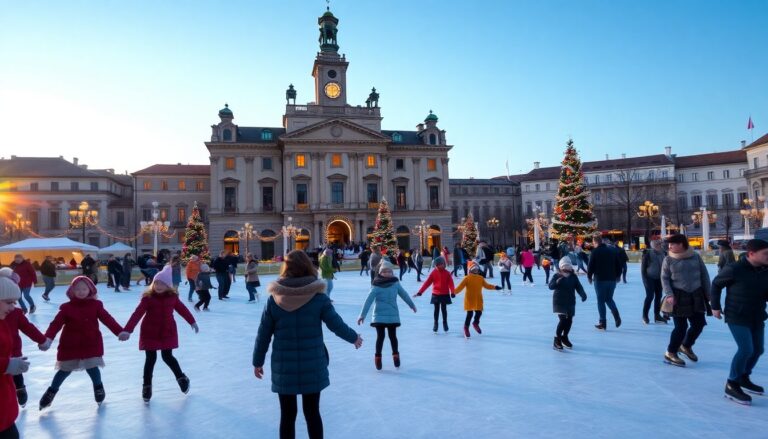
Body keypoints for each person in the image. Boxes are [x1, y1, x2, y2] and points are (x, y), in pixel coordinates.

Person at [253, 250, 362, 439]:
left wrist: (257, 361)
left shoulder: (274, 299)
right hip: (312, 363)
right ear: (308, 267)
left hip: (284, 365)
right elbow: (336, 324)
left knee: (287, 415)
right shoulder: (319, 298)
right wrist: (354, 337)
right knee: (312, 413)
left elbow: (263, 333)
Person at [39, 276, 124, 410]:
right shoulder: (67, 308)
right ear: (72, 291)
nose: (81, 291)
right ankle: (51, 391)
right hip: (70, 345)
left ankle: (98, 388)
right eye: (77, 289)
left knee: (92, 367)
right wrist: (47, 339)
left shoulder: (96, 305)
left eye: (84, 289)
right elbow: (55, 325)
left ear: (90, 290)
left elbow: (108, 319)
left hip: (91, 342)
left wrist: (119, 331)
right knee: (64, 370)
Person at [120, 265, 198, 403]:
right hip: (150, 332)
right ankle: (147, 387)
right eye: (156, 282)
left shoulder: (173, 297)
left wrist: (192, 321)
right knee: (150, 359)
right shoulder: (147, 298)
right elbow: (137, 314)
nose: (158, 285)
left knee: (168, 357)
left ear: (168, 285)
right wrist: (127, 329)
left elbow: (183, 310)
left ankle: (181, 378)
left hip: (167, 331)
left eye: (162, 283)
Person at [710, 238, 768, 405]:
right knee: (746, 349)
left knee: (758, 350)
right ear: (751, 254)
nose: (767, 257)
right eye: (765, 254)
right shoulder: (735, 268)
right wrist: (715, 306)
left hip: (757, 315)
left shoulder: (765, 270)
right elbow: (716, 285)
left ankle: (743, 377)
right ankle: (732, 383)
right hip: (737, 315)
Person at [660, 234, 711, 367]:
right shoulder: (668, 259)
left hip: (696, 294)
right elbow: (664, 278)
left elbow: (704, 275)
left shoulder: (695, 256)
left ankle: (686, 346)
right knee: (681, 327)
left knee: (699, 324)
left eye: (673, 244)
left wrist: (709, 293)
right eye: (669, 244)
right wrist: (669, 294)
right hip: (678, 296)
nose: (669, 246)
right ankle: (670, 352)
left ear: (682, 244)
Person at [0, 268, 47, 409]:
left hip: (13, 351)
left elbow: (28, 328)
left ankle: (20, 389)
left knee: (16, 374)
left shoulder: (16, 313)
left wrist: (42, 339)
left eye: (15, 302)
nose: (13, 307)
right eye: (10, 302)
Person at [358, 260, 417, 370]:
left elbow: (404, 294)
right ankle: (378, 358)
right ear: (380, 273)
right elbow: (368, 300)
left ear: (392, 272)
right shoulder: (376, 285)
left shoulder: (395, 283)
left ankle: (396, 356)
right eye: (385, 271)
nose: (387, 273)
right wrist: (362, 315)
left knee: (393, 336)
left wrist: (411, 304)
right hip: (379, 315)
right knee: (380, 337)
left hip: (392, 315)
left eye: (389, 271)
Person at [0, 270, 31, 438]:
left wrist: (10, 362)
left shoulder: (2, 320)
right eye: (9, 302)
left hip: (5, 409)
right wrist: (6, 364)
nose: (13, 307)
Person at [453, 261, 501, 338]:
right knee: (470, 314)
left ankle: (475, 323)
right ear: (470, 270)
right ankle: (466, 328)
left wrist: (495, 287)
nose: (475, 270)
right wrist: (454, 292)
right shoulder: (467, 278)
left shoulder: (480, 278)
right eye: (473, 269)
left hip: (478, 299)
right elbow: (460, 287)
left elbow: (487, 286)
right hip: (469, 299)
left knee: (479, 312)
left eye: (476, 269)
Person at [549, 259, 587, 351]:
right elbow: (551, 286)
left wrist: (583, 294)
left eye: (568, 265)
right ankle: (557, 339)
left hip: (570, 301)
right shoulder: (557, 275)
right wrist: (557, 281)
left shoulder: (573, 276)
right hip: (559, 301)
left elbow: (578, 286)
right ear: (561, 267)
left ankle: (564, 337)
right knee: (563, 320)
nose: (567, 267)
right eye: (564, 266)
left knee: (569, 320)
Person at [587, 236, 623, 330]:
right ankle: (616, 315)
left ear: (595, 242)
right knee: (609, 299)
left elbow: (591, 265)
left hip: (600, 279)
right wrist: (618, 275)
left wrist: (589, 276)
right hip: (611, 279)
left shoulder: (595, 252)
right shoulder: (612, 250)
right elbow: (618, 264)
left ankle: (603, 322)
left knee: (601, 301)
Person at [414, 256, 455, 333]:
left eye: (441, 264)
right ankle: (435, 323)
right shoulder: (433, 273)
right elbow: (427, 283)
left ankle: (445, 322)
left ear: (444, 264)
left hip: (444, 294)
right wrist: (420, 292)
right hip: (436, 294)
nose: (440, 266)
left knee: (444, 309)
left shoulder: (447, 273)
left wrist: (452, 292)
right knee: (436, 310)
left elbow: (451, 283)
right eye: (438, 264)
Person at [641, 239, 667, 325]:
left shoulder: (664, 253)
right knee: (650, 296)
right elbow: (643, 268)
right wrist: (645, 279)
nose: (659, 246)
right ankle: (645, 315)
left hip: (660, 278)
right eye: (657, 245)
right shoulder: (648, 254)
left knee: (659, 296)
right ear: (653, 246)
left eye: (659, 244)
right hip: (649, 278)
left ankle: (657, 316)